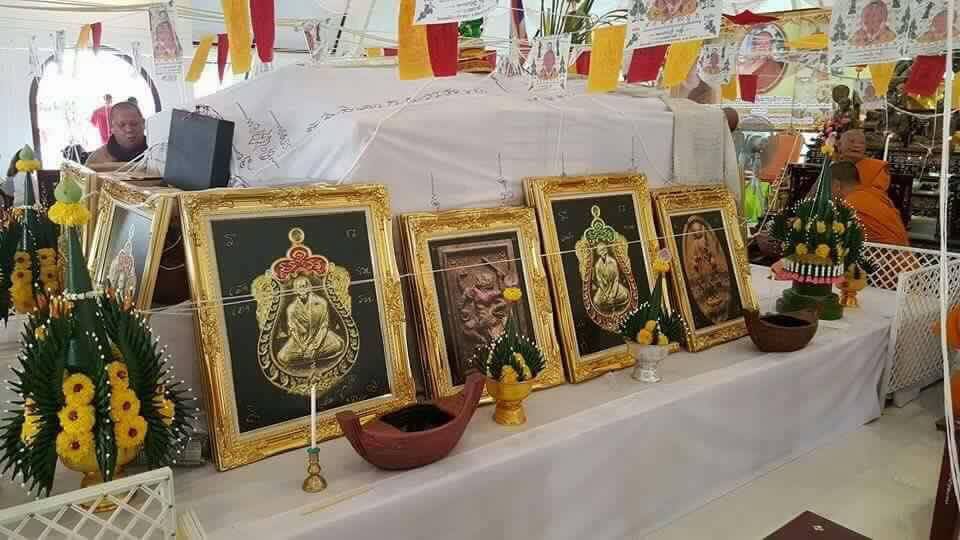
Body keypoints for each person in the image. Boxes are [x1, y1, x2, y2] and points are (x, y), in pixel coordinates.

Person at [831, 161, 909, 246]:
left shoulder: (849, 205)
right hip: (904, 251)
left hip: (883, 252)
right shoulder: (873, 194)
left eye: (828, 186)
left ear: (837, 185)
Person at [85, 101, 148, 168]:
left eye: (134, 124)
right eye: (122, 125)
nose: (129, 129)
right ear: (112, 128)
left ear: (143, 123)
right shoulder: (96, 160)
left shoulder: (155, 152)